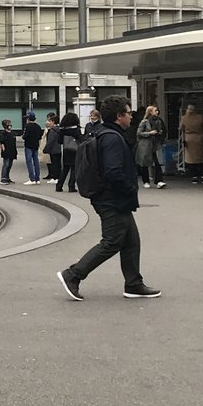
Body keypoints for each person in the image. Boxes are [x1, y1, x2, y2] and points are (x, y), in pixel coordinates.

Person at [56, 94, 160, 300]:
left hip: (111, 198)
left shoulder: (104, 133)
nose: (131, 118)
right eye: (129, 114)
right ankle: (73, 274)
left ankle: (133, 284)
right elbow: (113, 171)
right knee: (112, 242)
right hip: (112, 199)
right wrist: (129, 189)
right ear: (119, 116)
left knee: (131, 241)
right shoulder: (112, 138)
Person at [135, 105, 166, 189]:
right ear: (150, 112)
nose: (157, 112)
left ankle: (159, 181)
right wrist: (149, 133)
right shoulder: (144, 122)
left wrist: (160, 133)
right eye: (155, 110)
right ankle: (146, 181)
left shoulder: (159, 121)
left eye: (157, 110)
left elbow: (163, 130)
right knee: (145, 163)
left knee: (157, 163)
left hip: (155, 144)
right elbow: (138, 133)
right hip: (146, 145)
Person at [179, 103, 203, 184]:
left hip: (189, 139)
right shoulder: (200, 117)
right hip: (200, 138)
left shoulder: (184, 118)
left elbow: (181, 128)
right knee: (202, 158)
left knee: (191, 159)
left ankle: (194, 177)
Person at [55, 111, 82, 193]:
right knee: (74, 169)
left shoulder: (62, 130)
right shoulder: (76, 129)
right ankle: (71, 186)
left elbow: (59, 141)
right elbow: (80, 139)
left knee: (65, 169)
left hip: (66, 150)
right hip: (75, 150)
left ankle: (59, 186)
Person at [21, 111, 43, 184]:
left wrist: (23, 136)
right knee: (36, 161)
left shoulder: (27, 126)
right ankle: (37, 179)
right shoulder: (38, 126)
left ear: (28, 119)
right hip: (36, 145)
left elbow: (24, 136)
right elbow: (40, 136)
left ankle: (32, 179)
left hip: (28, 145)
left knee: (29, 162)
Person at [42, 113, 61, 181]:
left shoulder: (52, 130)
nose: (49, 122)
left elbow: (50, 141)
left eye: (50, 121)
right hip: (58, 149)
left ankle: (55, 177)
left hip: (53, 149)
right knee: (57, 164)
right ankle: (56, 177)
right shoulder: (59, 129)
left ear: (53, 122)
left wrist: (46, 149)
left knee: (54, 164)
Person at [0, 119, 17, 184]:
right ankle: (3, 178)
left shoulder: (12, 133)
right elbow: (2, 143)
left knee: (10, 165)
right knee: (6, 164)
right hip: (6, 151)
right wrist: (4, 150)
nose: (10, 125)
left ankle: (7, 177)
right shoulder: (3, 133)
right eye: (8, 124)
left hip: (12, 151)